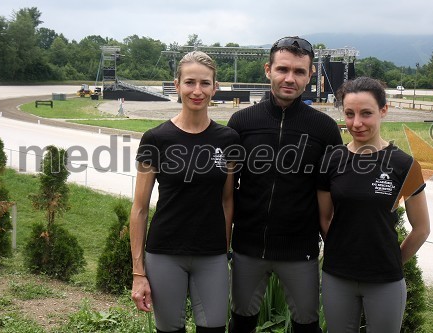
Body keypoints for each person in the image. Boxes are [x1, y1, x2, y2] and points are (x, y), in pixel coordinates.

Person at [227, 36, 343, 333]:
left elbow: (333, 194)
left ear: (311, 74)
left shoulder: (324, 129)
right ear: (268, 70)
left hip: (300, 250)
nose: (290, 78)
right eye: (282, 69)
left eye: (299, 71)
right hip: (248, 247)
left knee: (307, 325)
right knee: (241, 322)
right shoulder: (241, 123)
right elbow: (226, 190)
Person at [130, 51, 239, 333]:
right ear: (177, 85)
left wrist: (223, 246)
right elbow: (140, 209)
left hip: (212, 255)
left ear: (215, 87)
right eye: (190, 82)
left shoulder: (227, 140)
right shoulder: (156, 139)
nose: (197, 91)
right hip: (165, 252)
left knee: (214, 327)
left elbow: (228, 201)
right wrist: (138, 272)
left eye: (205, 83)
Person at [317, 76, 431, 333]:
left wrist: (392, 260)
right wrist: (339, 250)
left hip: (385, 280)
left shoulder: (404, 165)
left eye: (366, 113)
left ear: (383, 110)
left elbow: (421, 228)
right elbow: (324, 218)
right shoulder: (331, 161)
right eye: (349, 114)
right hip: (338, 276)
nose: (356, 123)